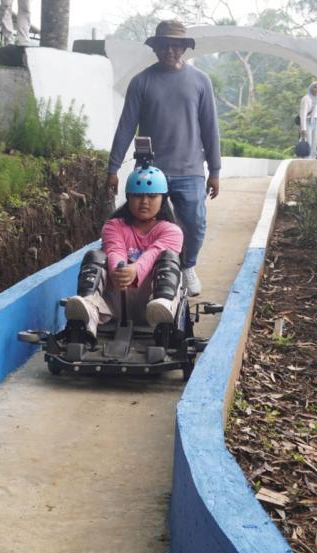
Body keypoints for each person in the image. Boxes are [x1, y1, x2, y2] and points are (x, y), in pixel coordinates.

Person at [106, 20, 221, 297]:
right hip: (150, 172)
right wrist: (113, 168)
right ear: (155, 48)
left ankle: (187, 266)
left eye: (176, 45)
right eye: (164, 45)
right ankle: (149, 272)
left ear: (184, 48)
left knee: (194, 221)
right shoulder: (141, 82)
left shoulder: (200, 81)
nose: (170, 50)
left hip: (190, 169)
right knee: (143, 224)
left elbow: (210, 127)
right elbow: (125, 127)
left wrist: (215, 170)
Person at [64, 166, 185, 338]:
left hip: (153, 303)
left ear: (163, 199)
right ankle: (90, 308)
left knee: (168, 257)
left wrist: (134, 270)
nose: (144, 201)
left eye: (152, 196)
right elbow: (115, 250)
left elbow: (153, 254)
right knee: (95, 256)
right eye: (138, 195)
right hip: (116, 300)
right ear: (128, 198)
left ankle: (163, 309)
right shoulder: (114, 225)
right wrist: (118, 272)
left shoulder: (172, 231)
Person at [299, 82, 317, 158]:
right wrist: (303, 128)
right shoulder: (306, 98)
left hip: (316, 122)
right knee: (308, 142)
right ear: (311, 88)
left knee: (315, 143)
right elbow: (303, 114)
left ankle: (312, 159)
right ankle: (305, 159)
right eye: (315, 87)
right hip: (308, 122)